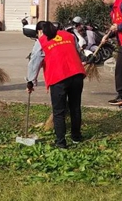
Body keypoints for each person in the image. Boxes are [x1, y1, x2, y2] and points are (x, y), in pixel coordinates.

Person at [26, 21, 86, 149]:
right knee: (75, 107)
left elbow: (35, 61)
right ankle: (76, 137)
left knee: (59, 111)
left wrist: (30, 81)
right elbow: (78, 52)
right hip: (77, 75)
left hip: (58, 78)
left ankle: (61, 142)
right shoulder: (69, 35)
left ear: (40, 32)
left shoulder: (42, 41)